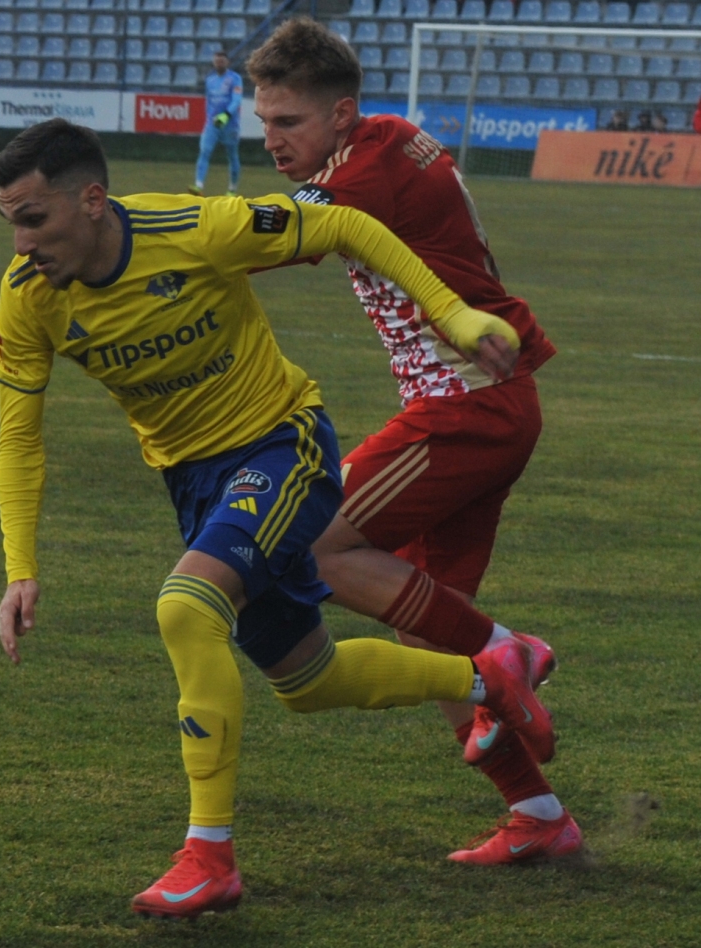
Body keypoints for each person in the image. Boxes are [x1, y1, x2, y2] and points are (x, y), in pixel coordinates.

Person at [0, 118, 555, 919]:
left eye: (33, 219)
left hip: (283, 444)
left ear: (91, 200)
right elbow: (19, 437)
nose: (21, 244)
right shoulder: (28, 297)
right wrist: (20, 568)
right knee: (308, 680)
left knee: (186, 606)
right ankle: (490, 670)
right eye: (11, 223)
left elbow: (347, 225)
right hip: (195, 484)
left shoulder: (196, 227)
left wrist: (456, 319)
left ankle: (209, 857)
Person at [249, 18, 580, 865]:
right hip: (493, 399)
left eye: (288, 121)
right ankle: (538, 815)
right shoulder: (392, 138)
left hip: (465, 406)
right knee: (427, 631)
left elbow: (253, 242)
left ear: (341, 113)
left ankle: (510, 651)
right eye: (264, 120)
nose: (271, 138)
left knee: (308, 546)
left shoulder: (358, 176)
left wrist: (137, 238)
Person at [188, 51, 243, 198]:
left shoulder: (235, 78)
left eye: (222, 61)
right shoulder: (210, 80)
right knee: (204, 151)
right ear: (213, 62)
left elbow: (236, 100)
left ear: (227, 62)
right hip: (212, 124)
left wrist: (226, 114)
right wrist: (208, 118)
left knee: (232, 156)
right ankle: (198, 186)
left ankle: (232, 189)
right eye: (217, 61)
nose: (219, 63)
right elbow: (208, 101)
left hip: (230, 124)